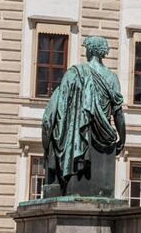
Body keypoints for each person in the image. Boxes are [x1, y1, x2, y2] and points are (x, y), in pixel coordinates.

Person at [42, 35, 125, 196]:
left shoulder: (74, 73)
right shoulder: (112, 78)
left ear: (89, 51)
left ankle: (60, 182)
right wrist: (122, 138)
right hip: (105, 138)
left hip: (78, 136)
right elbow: (118, 113)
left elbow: (61, 107)